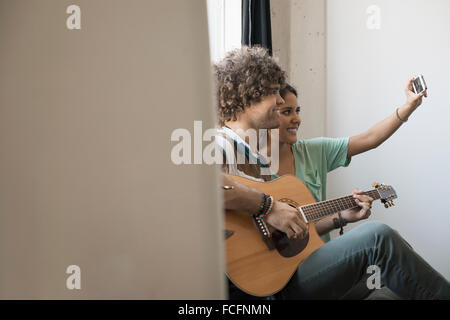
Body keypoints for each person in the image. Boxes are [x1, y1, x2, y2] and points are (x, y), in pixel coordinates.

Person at [214, 46, 450, 299]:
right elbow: (203, 186)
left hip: (281, 274)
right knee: (377, 237)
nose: (281, 100)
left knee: (386, 294)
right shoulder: (219, 143)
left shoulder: (255, 157)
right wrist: (267, 205)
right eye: (274, 93)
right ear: (248, 96)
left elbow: (274, 237)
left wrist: (339, 218)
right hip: (264, 293)